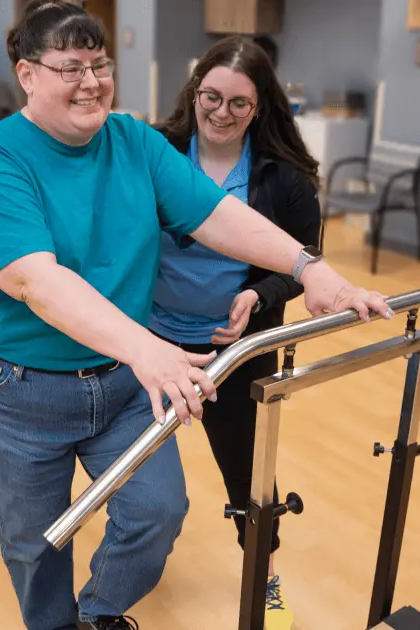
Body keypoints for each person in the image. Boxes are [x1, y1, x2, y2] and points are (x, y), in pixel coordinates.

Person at [0, 2, 392, 629]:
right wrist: (147, 349)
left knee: (157, 511)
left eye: (100, 65)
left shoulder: (134, 141)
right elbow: (38, 282)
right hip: (21, 387)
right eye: (70, 68)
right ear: (28, 74)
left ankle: (99, 614)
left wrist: (309, 267)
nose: (91, 82)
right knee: (38, 538)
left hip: (122, 380)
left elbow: (214, 215)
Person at [148, 35, 318, 630]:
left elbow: (302, 259)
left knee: (251, 478)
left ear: (260, 108)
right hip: (150, 346)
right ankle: (134, 558)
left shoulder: (284, 178)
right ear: (193, 92)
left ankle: (265, 583)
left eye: (238, 104)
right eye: (210, 96)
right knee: (130, 469)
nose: (220, 112)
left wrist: (259, 293)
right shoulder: (157, 151)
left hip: (236, 351)